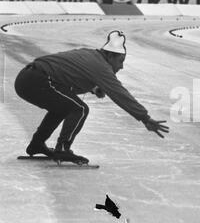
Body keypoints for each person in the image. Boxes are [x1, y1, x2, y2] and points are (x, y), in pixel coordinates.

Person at [15, 31, 169, 164]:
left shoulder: (91, 55)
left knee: (62, 108)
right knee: (79, 109)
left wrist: (94, 88)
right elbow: (120, 94)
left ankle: (37, 144)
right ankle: (63, 149)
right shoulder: (101, 66)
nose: (121, 67)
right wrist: (144, 118)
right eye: (120, 61)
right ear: (110, 56)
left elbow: (70, 73)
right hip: (38, 79)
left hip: (28, 78)